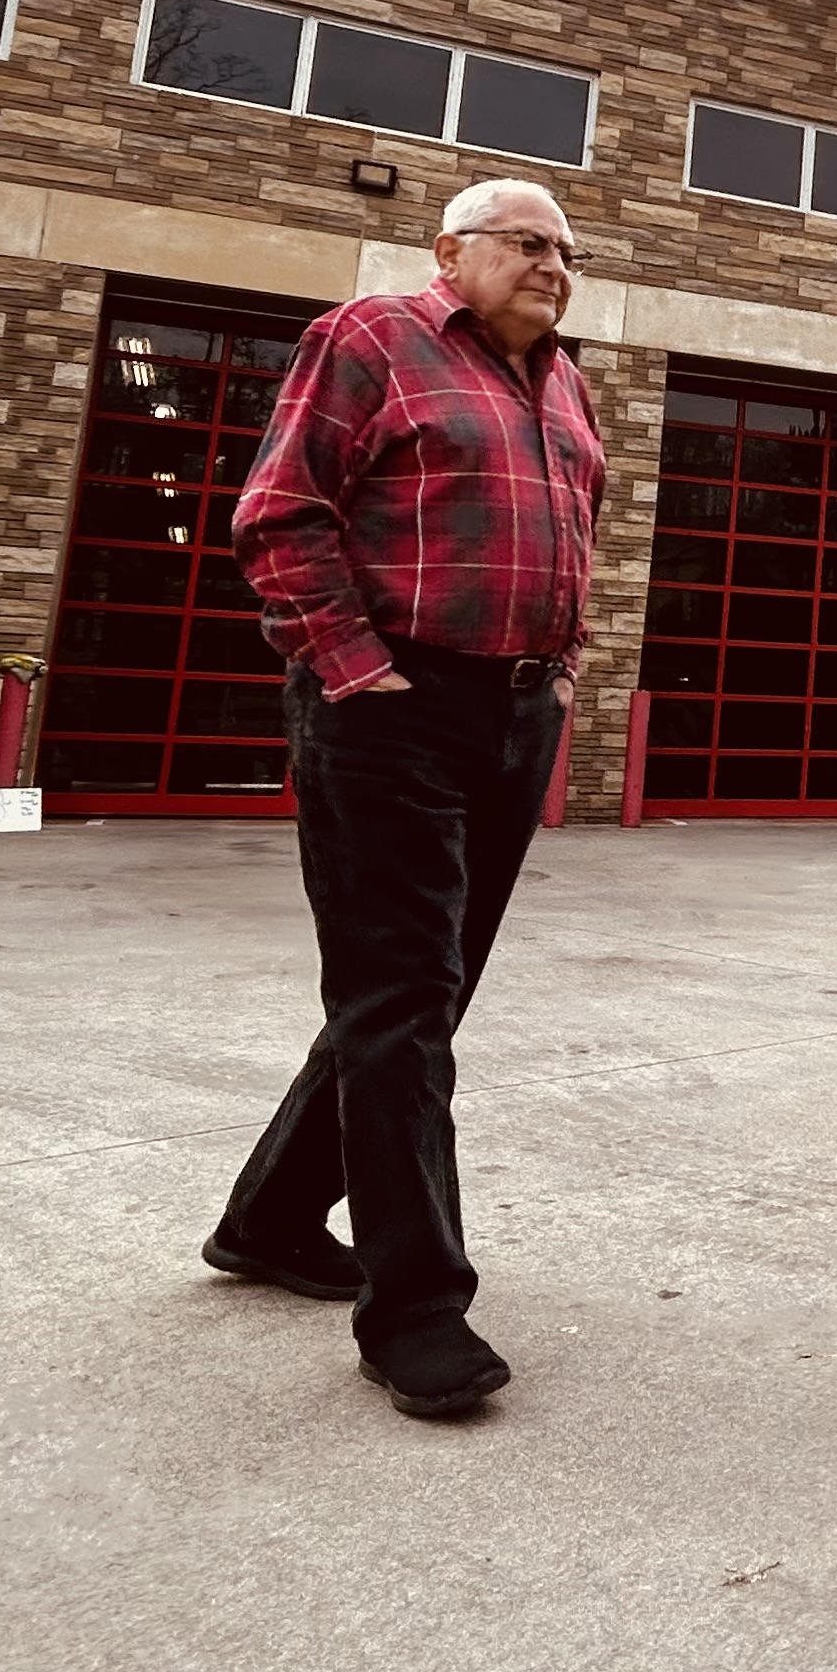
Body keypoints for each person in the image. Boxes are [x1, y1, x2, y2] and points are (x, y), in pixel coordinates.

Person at [205, 176, 605, 1421]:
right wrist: (357, 670)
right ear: (452, 249)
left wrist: (562, 670)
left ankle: (271, 1221)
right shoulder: (372, 337)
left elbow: (569, 532)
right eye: (528, 242)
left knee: (425, 993)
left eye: (567, 251)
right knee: (401, 1000)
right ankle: (417, 1310)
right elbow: (279, 515)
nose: (554, 264)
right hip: (391, 704)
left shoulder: (567, 381)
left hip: (513, 709)